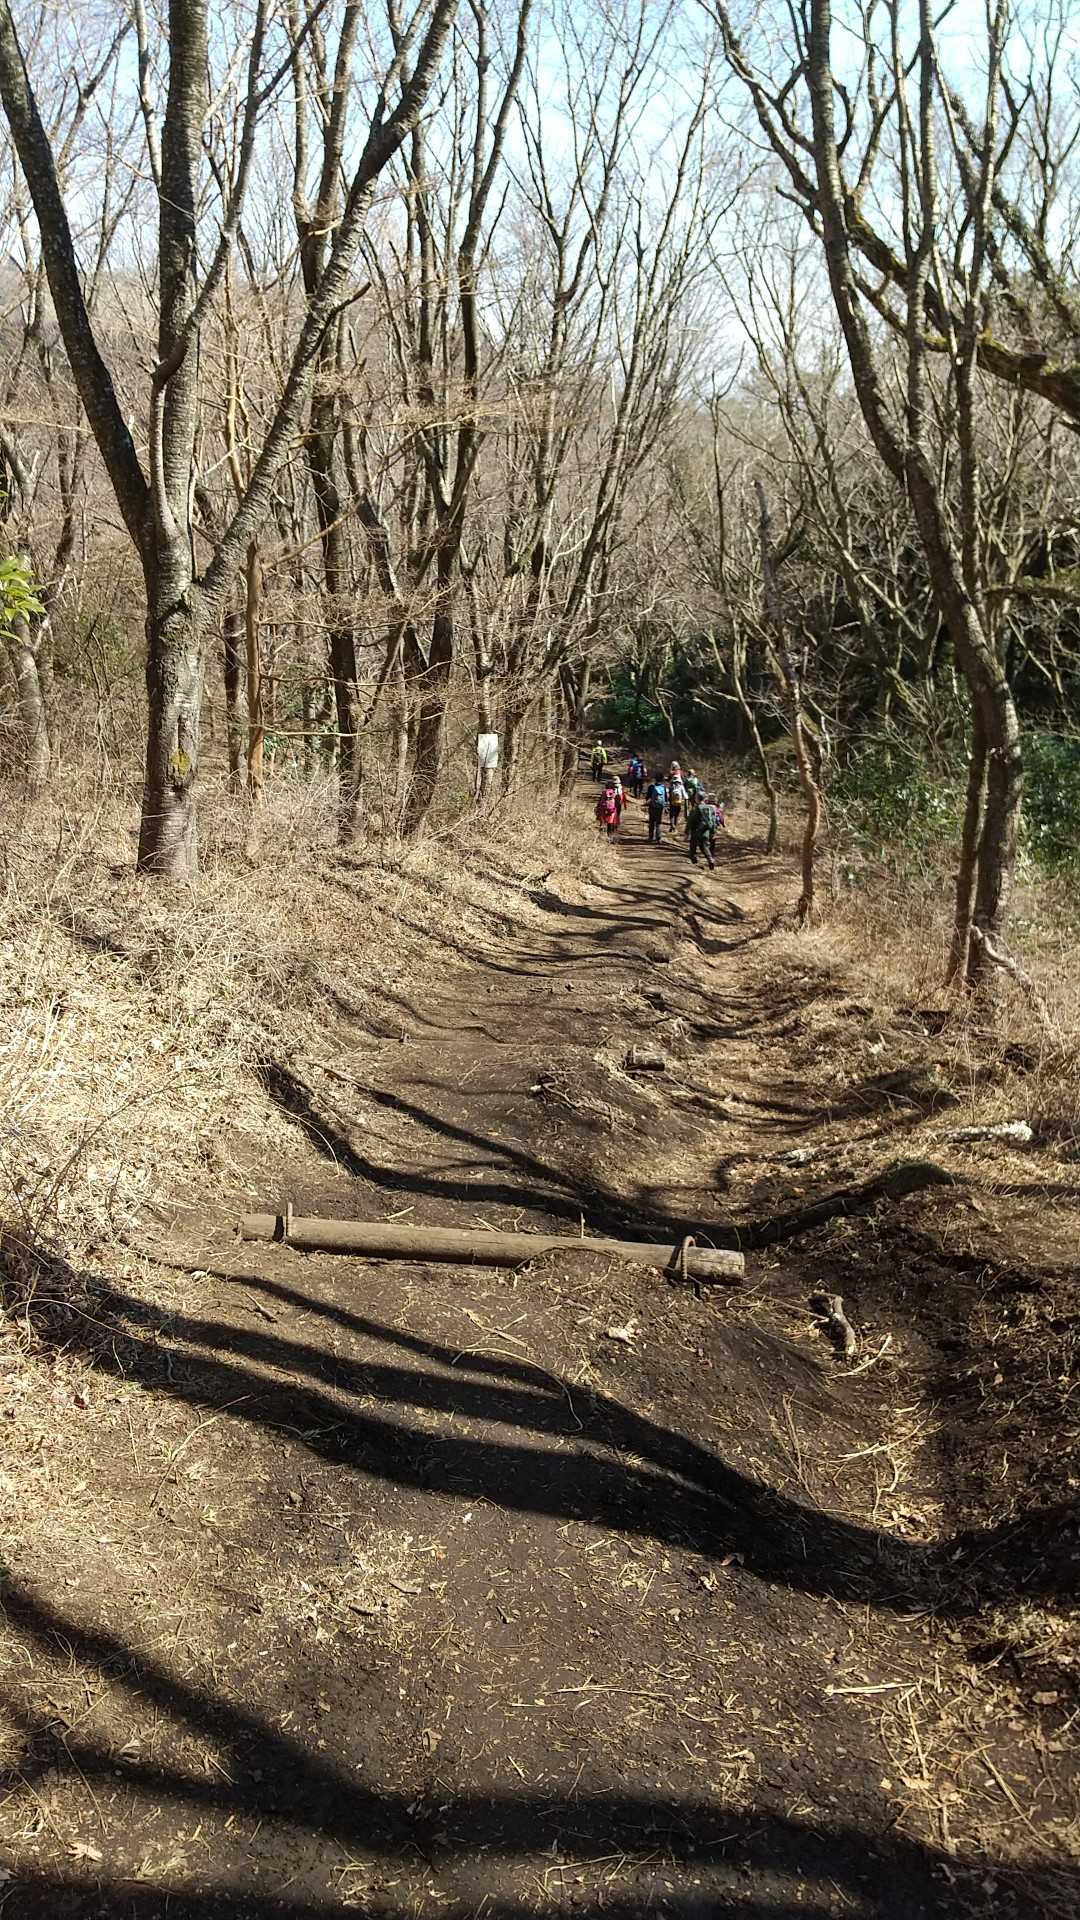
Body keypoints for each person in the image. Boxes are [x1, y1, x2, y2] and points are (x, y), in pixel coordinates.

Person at [688, 793, 726, 869]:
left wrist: (686, 832)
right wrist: (713, 831)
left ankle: (695, 863)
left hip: (695, 831)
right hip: (706, 831)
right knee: (704, 846)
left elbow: (690, 821)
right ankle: (710, 859)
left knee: (693, 847)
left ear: (697, 799)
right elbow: (713, 820)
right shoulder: (710, 808)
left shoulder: (695, 808)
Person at [644, 773, 667, 845]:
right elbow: (666, 798)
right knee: (658, 823)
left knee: (651, 822)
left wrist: (648, 802)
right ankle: (658, 838)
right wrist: (665, 806)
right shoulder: (663, 787)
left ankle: (650, 837)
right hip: (660, 807)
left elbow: (647, 797)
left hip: (652, 807)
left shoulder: (651, 787)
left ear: (655, 779)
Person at [668, 768, 686, 835]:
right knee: (676, 815)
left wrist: (669, 799)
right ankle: (675, 826)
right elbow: (685, 795)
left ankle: (672, 825)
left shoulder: (671, 786)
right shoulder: (681, 786)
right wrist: (684, 799)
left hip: (672, 802)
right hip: (679, 802)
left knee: (671, 814)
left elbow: (668, 793)